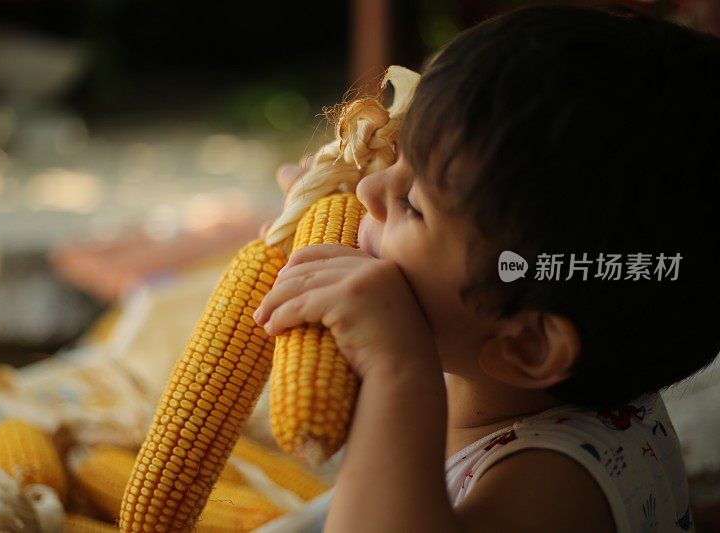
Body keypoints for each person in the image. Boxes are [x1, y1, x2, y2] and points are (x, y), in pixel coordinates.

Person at [254, 5, 720, 532]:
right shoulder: (523, 363)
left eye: (412, 203)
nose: (368, 190)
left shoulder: (556, 485)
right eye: (401, 156)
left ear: (528, 345)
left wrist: (396, 370)